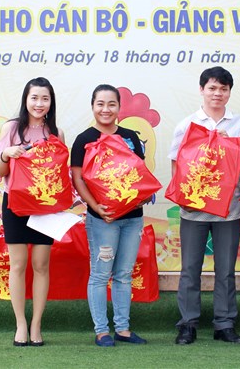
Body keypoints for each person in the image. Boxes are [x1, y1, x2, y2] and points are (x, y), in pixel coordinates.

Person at [170, 66, 240, 345]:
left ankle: (224, 324)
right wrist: (184, 198)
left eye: (223, 89)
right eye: (212, 88)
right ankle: (188, 324)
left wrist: (231, 145)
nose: (217, 93)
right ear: (202, 90)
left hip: (229, 210)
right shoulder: (187, 125)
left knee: (226, 270)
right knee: (190, 268)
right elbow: (177, 164)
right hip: (193, 210)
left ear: (229, 92)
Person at [71, 84, 150, 347]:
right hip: (102, 219)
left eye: (111, 104)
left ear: (119, 107)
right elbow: (78, 178)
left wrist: (141, 196)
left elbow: (138, 173)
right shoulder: (84, 139)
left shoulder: (130, 137)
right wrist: (96, 207)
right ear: (93, 106)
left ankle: (123, 329)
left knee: (124, 274)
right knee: (100, 274)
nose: (106, 109)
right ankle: (102, 331)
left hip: (132, 217)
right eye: (100, 104)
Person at [0, 77, 65, 347]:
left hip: (45, 207)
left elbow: (58, 174)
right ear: (26, 99)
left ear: (51, 103)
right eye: (34, 97)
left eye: (45, 98)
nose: (39, 103)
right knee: (18, 264)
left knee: (41, 265)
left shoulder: (56, 133)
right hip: (14, 203)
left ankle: (36, 324)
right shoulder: (11, 128)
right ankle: (20, 324)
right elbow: (0, 172)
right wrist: (6, 154)